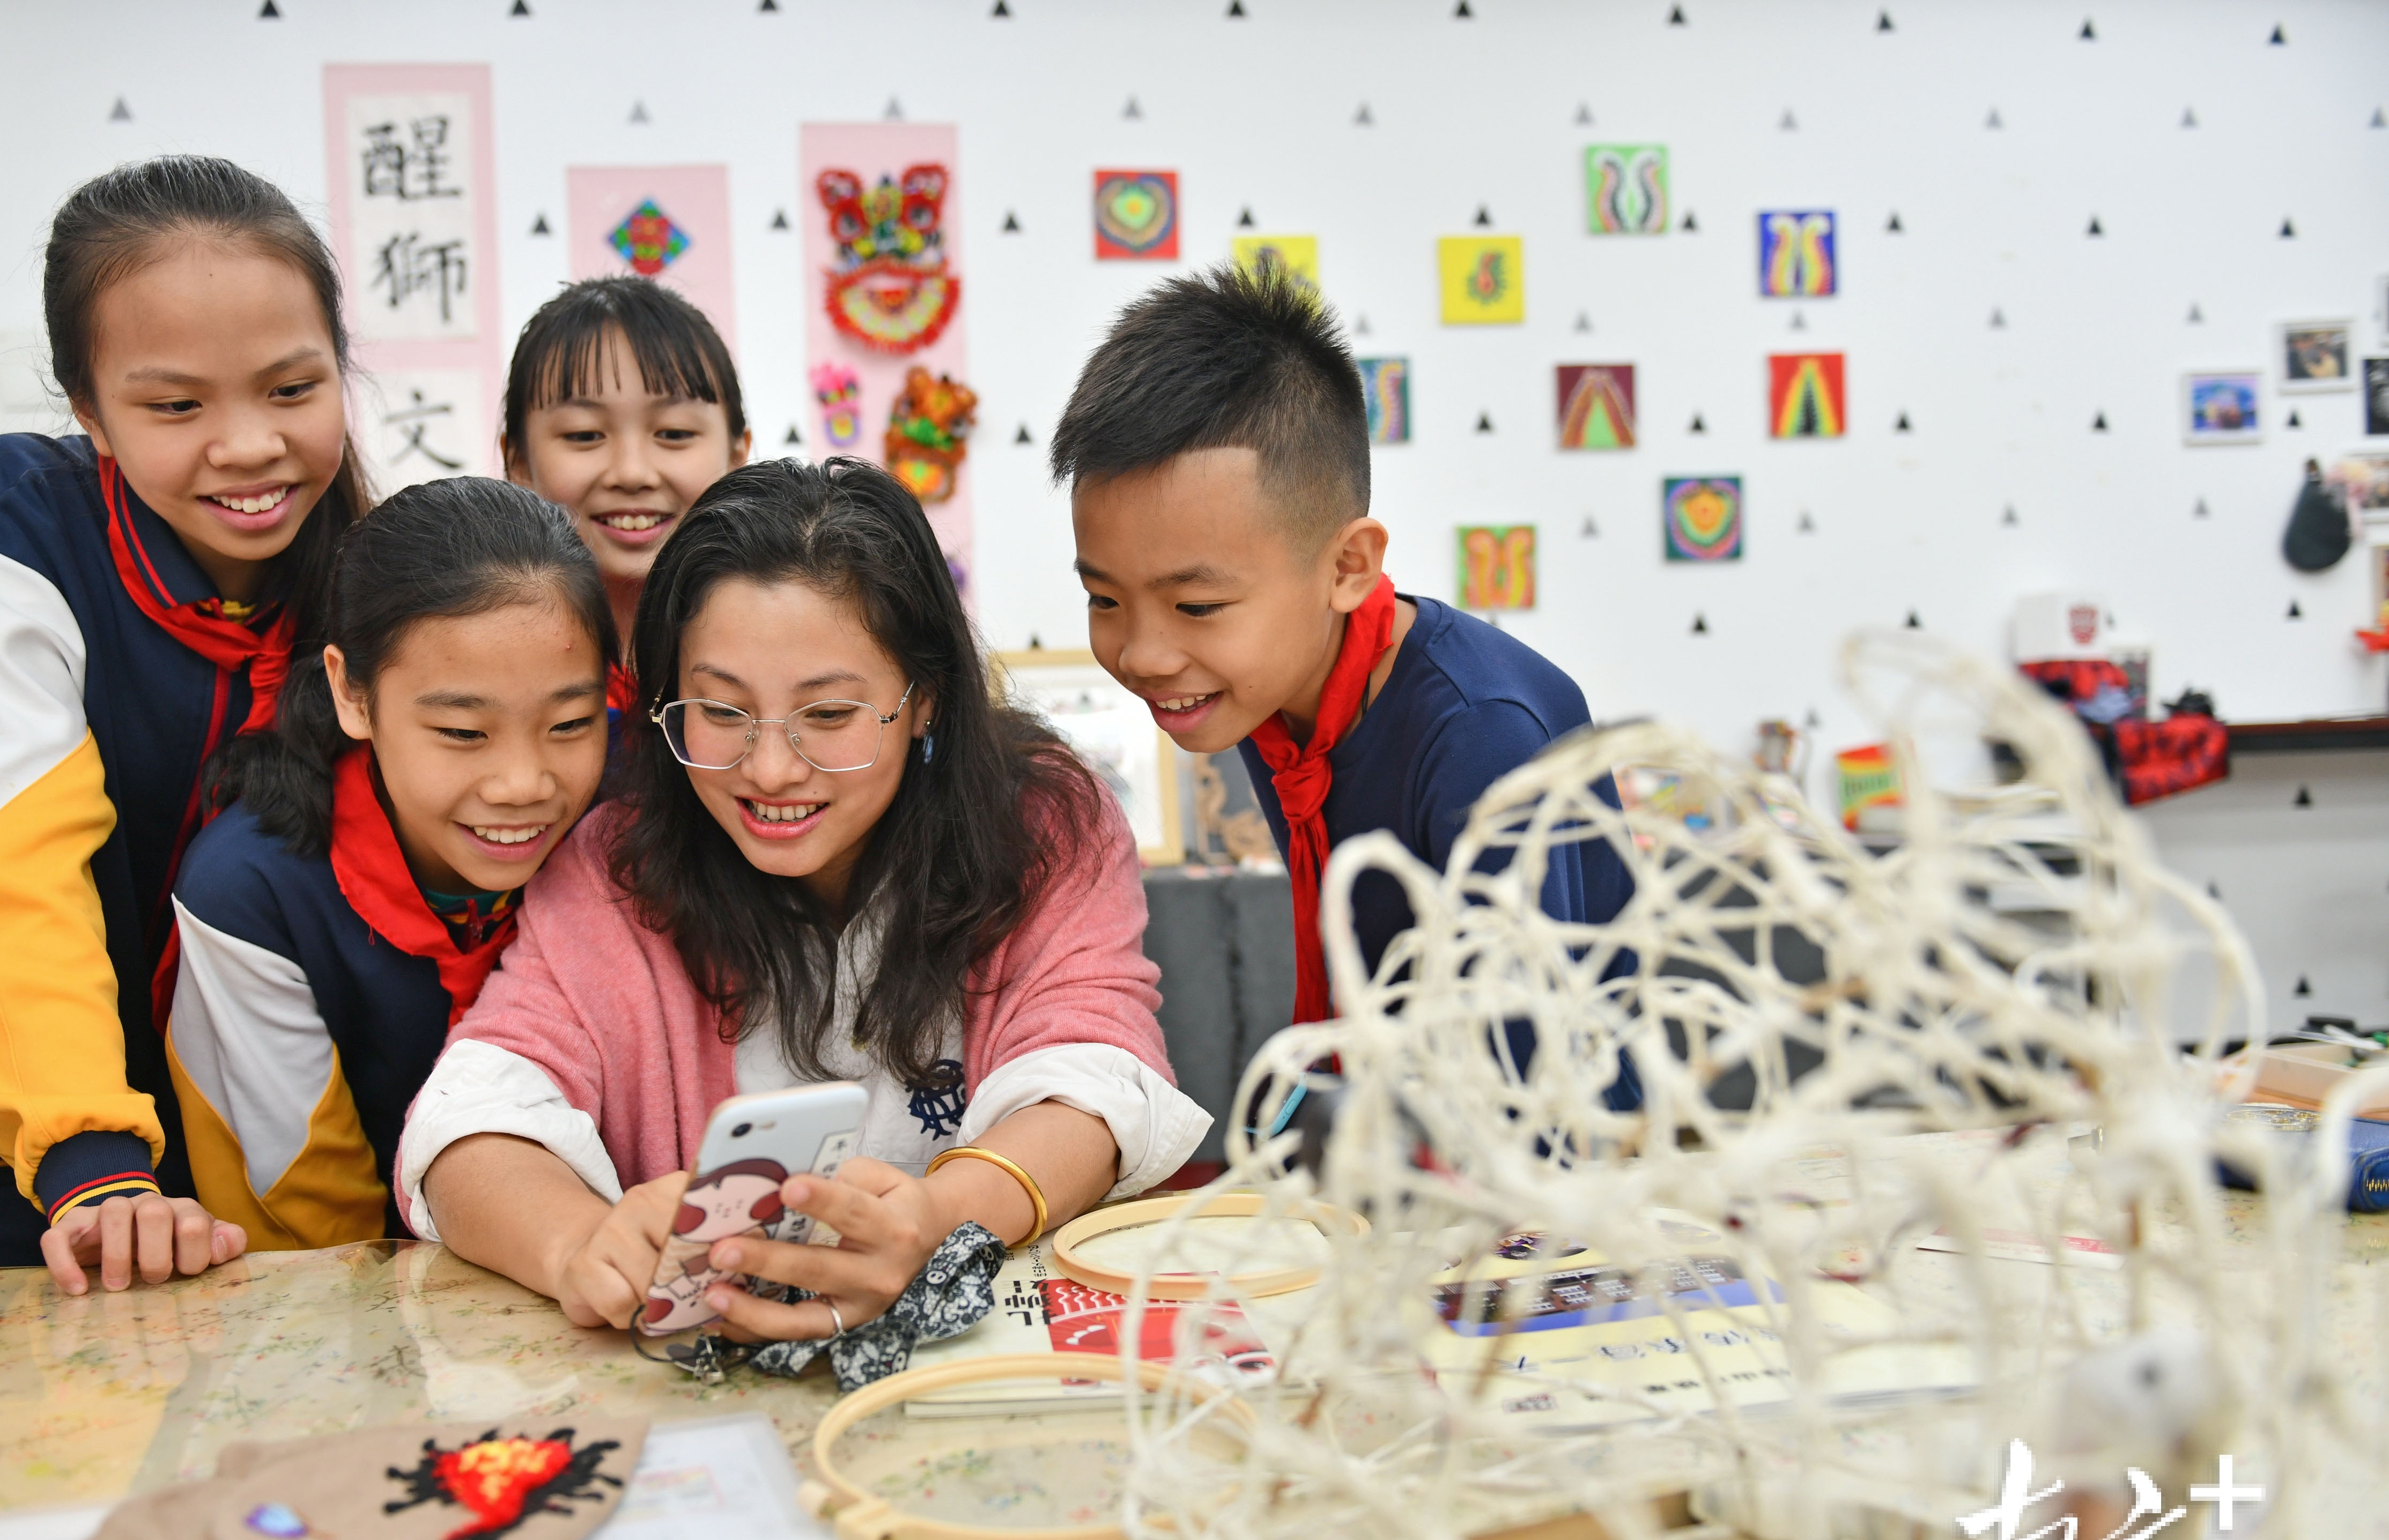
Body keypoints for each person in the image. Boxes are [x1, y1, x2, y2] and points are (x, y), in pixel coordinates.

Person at [398, 457, 1207, 1372]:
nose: (771, 769)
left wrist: (933, 1217)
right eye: (721, 708)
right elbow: (473, 1120)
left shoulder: (1043, 824)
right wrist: (580, 1242)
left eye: (827, 712)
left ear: (923, 699)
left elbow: (1096, 1073)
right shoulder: (614, 867)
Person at [0, 156, 368, 1291]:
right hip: (31, 1159)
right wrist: (93, 1161)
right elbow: (4, 865)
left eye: (290, 389)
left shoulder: (368, 578)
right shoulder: (16, 530)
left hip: (271, 1142)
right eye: (175, 405)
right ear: (88, 408)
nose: (246, 446)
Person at [1052, 261, 1633, 1026]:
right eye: (1105, 598)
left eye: (1196, 605)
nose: (1143, 655)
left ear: (1348, 567)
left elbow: (1531, 1072)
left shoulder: (1481, 734)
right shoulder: (1272, 689)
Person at [167, 478, 615, 1249]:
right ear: (353, 692)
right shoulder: (250, 893)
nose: (524, 785)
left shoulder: (621, 828)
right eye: (462, 732)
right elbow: (305, 1222)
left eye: (571, 722)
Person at [499, 276, 750, 728]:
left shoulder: (785, 643)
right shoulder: (480, 656)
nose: (632, 473)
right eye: (583, 435)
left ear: (737, 456)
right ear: (517, 463)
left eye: (674, 433)